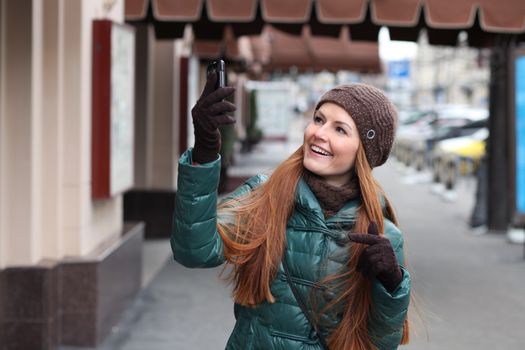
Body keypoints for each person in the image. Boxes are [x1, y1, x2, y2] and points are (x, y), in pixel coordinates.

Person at [171, 70, 411, 350]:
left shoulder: (381, 235)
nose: (318, 133)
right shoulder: (265, 195)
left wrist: (392, 285)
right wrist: (204, 151)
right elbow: (193, 251)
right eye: (318, 119)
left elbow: (379, 344)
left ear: (365, 151)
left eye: (339, 129)